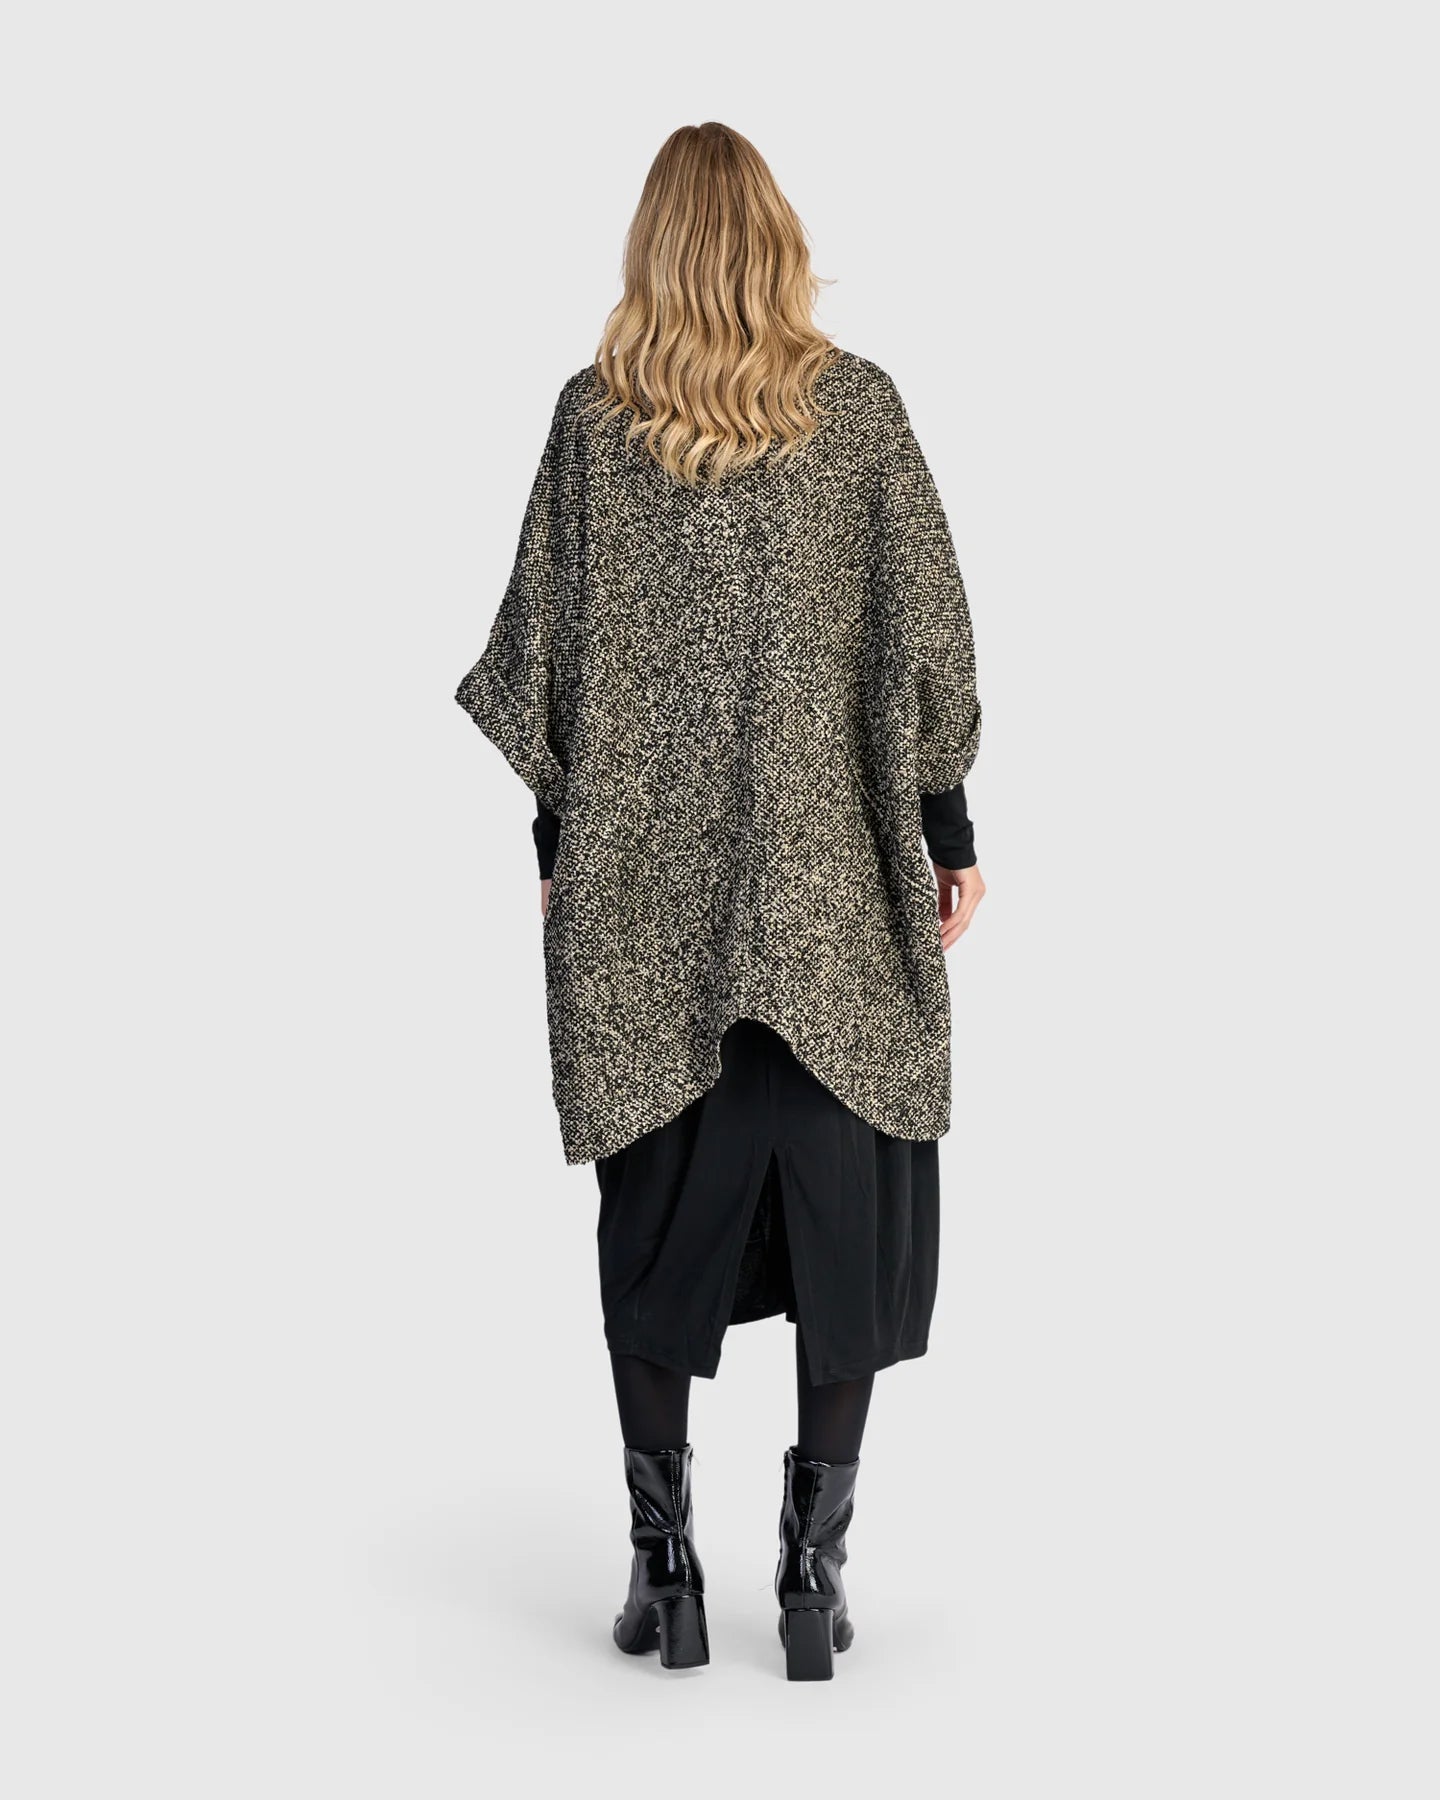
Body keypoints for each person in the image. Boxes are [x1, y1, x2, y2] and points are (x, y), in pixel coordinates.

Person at [455, 121, 985, 1681]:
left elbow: (540, 662)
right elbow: (928, 645)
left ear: (655, 251)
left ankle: (665, 1572)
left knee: (653, 1235)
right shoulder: (860, 417)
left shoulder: (593, 422)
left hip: (648, 915)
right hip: (833, 907)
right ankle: (812, 1579)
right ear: (777, 241)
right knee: (847, 1231)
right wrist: (947, 828)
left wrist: (558, 844)